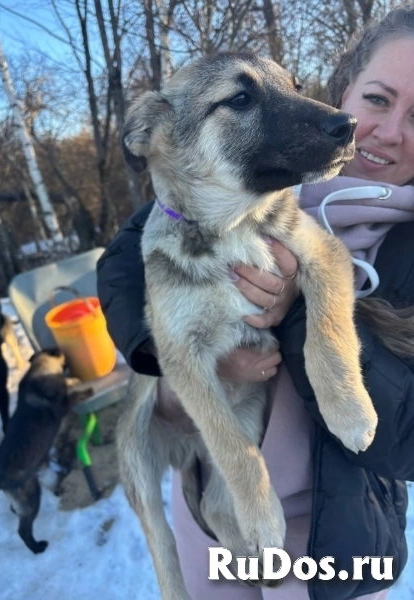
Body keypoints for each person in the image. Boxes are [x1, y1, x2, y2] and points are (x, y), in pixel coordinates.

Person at [97, 7, 414, 600]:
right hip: (214, 514)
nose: (388, 130)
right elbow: (128, 250)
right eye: (375, 98)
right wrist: (156, 360)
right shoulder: (261, 189)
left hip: (333, 544)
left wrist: (296, 314)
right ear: (344, 89)